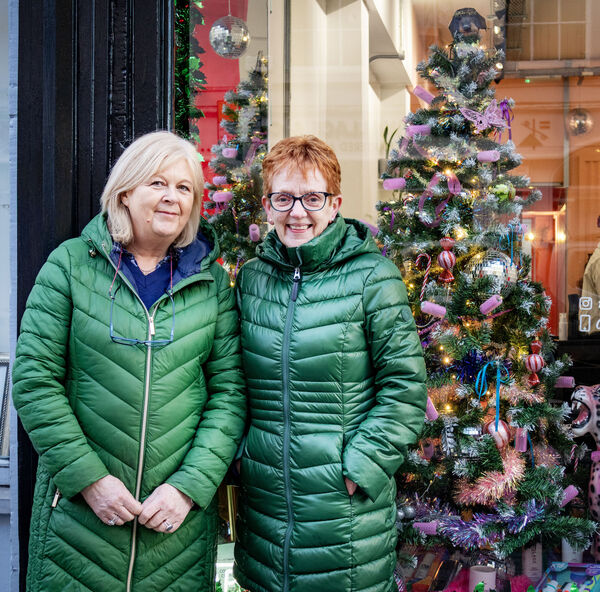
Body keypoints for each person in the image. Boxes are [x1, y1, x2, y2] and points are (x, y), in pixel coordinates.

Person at [12, 131, 246, 592]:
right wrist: (89, 479)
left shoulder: (212, 284)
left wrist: (188, 488)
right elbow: (34, 380)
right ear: (125, 192)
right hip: (79, 525)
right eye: (158, 183)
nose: (172, 198)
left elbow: (230, 395)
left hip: (173, 531)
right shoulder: (70, 265)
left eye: (184, 189)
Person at [233, 135, 427, 592]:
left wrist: (359, 468)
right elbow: (233, 380)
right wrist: (243, 457)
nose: (297, 212)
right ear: (267, 204)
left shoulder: (372, 277)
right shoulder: (253, 278)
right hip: (263, 507)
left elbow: (405, 389)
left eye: (312, 198)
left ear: (335, 202)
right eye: (283, 198)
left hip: (343, 512)